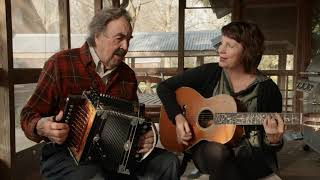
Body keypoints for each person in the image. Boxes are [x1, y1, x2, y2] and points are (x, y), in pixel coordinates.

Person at [20, 8, 179, 180]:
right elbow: (28, 115)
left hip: (115, 156)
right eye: (119, 39)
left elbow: (136, 121)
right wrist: (41, 125)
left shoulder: (128, 76)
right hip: (64, 155)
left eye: (128, 39)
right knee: (95, 176)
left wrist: (149, 137)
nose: (125, 47)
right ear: (97, 36)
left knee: (168, 162)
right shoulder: (60, 63)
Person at [157, 21, 285, 180]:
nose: (220, 50)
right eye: (221, 43)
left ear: (248, 52)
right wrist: (178, 117)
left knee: (234, 165)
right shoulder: (211, 72)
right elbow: (164, 87)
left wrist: (274, 140)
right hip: (209, 151)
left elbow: (270, 145)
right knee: (218, 153)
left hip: (249, 156)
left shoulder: (269, 90)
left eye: (229, 45)